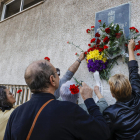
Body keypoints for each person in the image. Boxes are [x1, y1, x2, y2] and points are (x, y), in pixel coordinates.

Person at [4, 59, 110, 140]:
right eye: (57, 73)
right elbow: (103, 134)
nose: (59, 76)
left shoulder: (16, 114)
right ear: (52, 80)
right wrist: (89, 100)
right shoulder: (68, 110)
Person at [95, 39, 140, 140]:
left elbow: (106, 135)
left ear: (112, 95)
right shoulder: (137, 93)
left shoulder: (110, 113)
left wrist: (98, 95)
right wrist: (130, 49)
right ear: (130, 86)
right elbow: (133, 71)